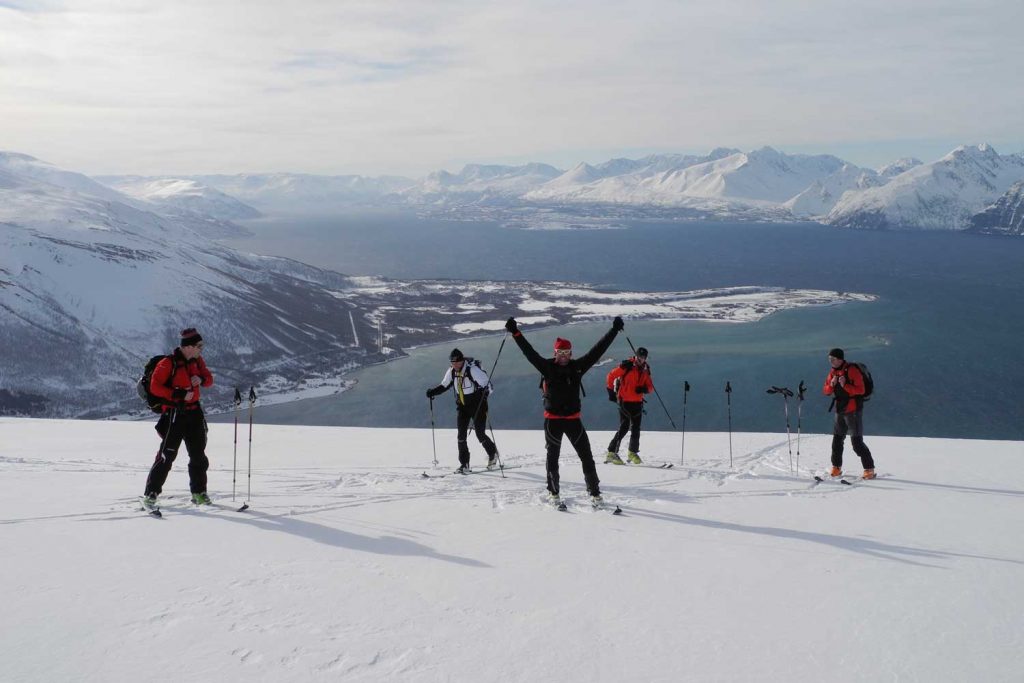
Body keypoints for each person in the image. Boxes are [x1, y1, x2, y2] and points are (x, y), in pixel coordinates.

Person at [504, 315, 623, 505]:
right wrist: (516, 333)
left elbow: (597, 351)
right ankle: (554, 492)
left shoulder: (577, 367)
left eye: (567, 352)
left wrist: (614, 330)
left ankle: (594, 492)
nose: (563, 356)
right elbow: (529, 353)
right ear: (555, 352)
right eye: (560, 352)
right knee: (553, 457)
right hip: (553, 421)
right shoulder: (547, 368)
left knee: (586, 455)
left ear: (571, 353)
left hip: (573, 420)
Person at [143, 328, 215, 506]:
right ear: (189, 347)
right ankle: (151, 493)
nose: (201, 349)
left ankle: (199, 493)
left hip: (194, 413)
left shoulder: (197, 361)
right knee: (167, 455)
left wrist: (201, 379)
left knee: (198, 455)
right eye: (199, 346)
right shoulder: (168, 363)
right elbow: (155, 387)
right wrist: (178, 395)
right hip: (175, 413)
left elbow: (209, 379)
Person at [425, 348, 499, 473]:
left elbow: (489, 386)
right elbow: (444, 385)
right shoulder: (452, 371)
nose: (455, 365)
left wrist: (484, 393)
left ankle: (493, 453)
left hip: (478, 405)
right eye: (452, 362)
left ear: (462, 360)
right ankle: (464, 464)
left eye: (457, 362)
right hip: (462, 406)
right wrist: (433, 392)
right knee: (461, 437)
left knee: (480, 434)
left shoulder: (473, 370)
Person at [823, 347, 875, 479]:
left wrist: (845, 385)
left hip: (853, 410)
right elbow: (826, 391)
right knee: (837, 441)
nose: (831, 361)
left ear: (840, 359)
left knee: (857, 443)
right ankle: (836, 468)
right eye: (829, 359)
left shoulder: (852, 370)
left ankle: (869, 469)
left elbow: (861, 390)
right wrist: (833, 385)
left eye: (833, 359)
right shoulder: (832, 373)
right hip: (840, 409)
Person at [604, 346, 654, 465]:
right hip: (624, 402)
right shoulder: (627, 366)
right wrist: (610, 392)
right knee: (625, 427)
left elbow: (651, 387)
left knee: (636, 429)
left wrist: (644, 389)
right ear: (635, 356)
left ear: (645, 359)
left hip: (637, 402)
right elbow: (610, 376)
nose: (640, 360)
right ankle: (611, 452)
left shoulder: (645, 370)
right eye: (638, 357)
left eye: (642, 358)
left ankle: (632, 453)